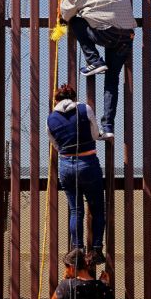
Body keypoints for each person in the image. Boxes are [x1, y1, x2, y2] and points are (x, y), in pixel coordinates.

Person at [58, 0, 137, 140]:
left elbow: (65, 14)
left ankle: (94, 61)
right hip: (126, 36)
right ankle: (107, 127)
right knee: (112, 81)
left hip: (105, 32)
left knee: (76, 21)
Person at [47, 83, 106, 265]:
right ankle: (96, 250)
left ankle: (78, 249)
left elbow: (55, 145)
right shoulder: (84, 109)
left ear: (56, 100)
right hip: (87, 163)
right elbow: (96, 134)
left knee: (76, 210)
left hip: (66, 166)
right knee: (97, 209)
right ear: (73, 98)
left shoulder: (51, 119)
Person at [51, 249, 116, 299]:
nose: (65, 271)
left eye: (66, 267)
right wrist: (104, 284)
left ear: (71, 268)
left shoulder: (65, 285)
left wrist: (64, 280)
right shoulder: (102, 286)